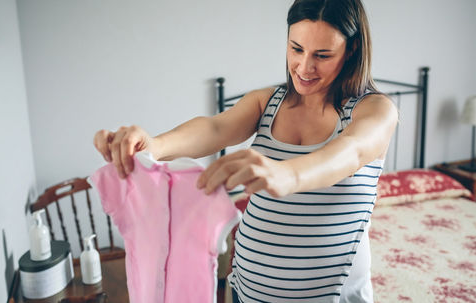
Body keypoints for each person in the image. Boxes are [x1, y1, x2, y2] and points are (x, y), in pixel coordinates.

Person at [93, 0, 397, 302]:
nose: (305, 67)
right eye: (296, 49)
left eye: (323, 55)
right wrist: (154, 145)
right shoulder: (268, 102)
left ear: (353, 49)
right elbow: (215, 128)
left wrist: (285, 174)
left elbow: (350, 152)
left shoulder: (375, 110)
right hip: (246, 290)